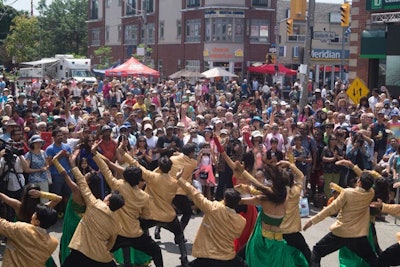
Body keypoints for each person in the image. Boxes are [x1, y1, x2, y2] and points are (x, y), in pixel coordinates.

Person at [91, 147, 163, 267]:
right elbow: (146, 216)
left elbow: (106, 171)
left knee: (99, 254)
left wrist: (95, 154)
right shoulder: (144, 196)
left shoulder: (119, 186)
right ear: (139, 179)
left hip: (117, 233)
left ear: (125, 177)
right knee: (156, 251)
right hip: (135, 233)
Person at [118, 148, 190, 267]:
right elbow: (171, 180)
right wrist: (177, 177)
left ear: (159, 167)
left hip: (150, 215)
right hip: (168, 216)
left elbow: (135, 164)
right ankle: (184, 259)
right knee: (179, 235)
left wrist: (124, 153)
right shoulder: (174, 182)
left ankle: (127, 262)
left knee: (128, 236)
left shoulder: (152, 177)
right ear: (170, 168)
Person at [303, 172, 378, 267]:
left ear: (359, 182)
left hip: (342, 233)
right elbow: (367, 185)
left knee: (317, 251)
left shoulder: (347, 192)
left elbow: (331, 209)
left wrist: (312, 220)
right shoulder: (371, 193)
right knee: (372, 259)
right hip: (358, 235)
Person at [62, 154, 125, 267]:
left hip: (80, 250)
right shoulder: (117, 224)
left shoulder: (94, 204)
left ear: (108, 201)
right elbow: (111, 243)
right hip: (100, 257)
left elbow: (81, 182)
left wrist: (72, 164)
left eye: (108, 196)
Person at [175, 168, 246, 267]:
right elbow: (237, 235)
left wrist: (180, 179)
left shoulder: (213, 208)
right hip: (226, 258)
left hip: (207, 256)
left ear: (224, 199)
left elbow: (195, 194)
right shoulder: (241, 221)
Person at [52, 150, 102, 264]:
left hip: (72, 223)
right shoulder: (95, 195)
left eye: (87, 176)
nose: (85, 175)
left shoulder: (77, 191)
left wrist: (56, 159)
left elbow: (64, 174)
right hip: (84, 223)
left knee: (69, 246)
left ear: (87, 182)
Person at [154, 143, 198, 240]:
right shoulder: (192, 163)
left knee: (167, 211)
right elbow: (195, 162)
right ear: (191, 153)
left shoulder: (172, 159)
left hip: (167, 189)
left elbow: (159, 169)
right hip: (179, 191)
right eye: (194, 152)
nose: (195, 154)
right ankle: (179, 234)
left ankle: (158, 227)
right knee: (187, 212)